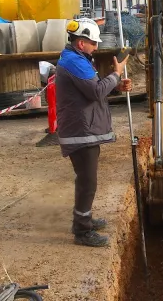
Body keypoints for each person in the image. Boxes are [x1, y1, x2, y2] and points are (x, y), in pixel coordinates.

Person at [55, 18, 132, 247]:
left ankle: (84, 219)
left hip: (84, 129)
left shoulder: (77, 59)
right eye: (93, 43)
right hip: (81, 131)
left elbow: (92, 89)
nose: (96, 47)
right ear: (81, 43)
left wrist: (115, 85)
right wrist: (115, 75)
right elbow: (96, 91)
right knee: (87, 182)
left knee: (88, 180)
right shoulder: (74, 62)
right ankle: (82, 231)